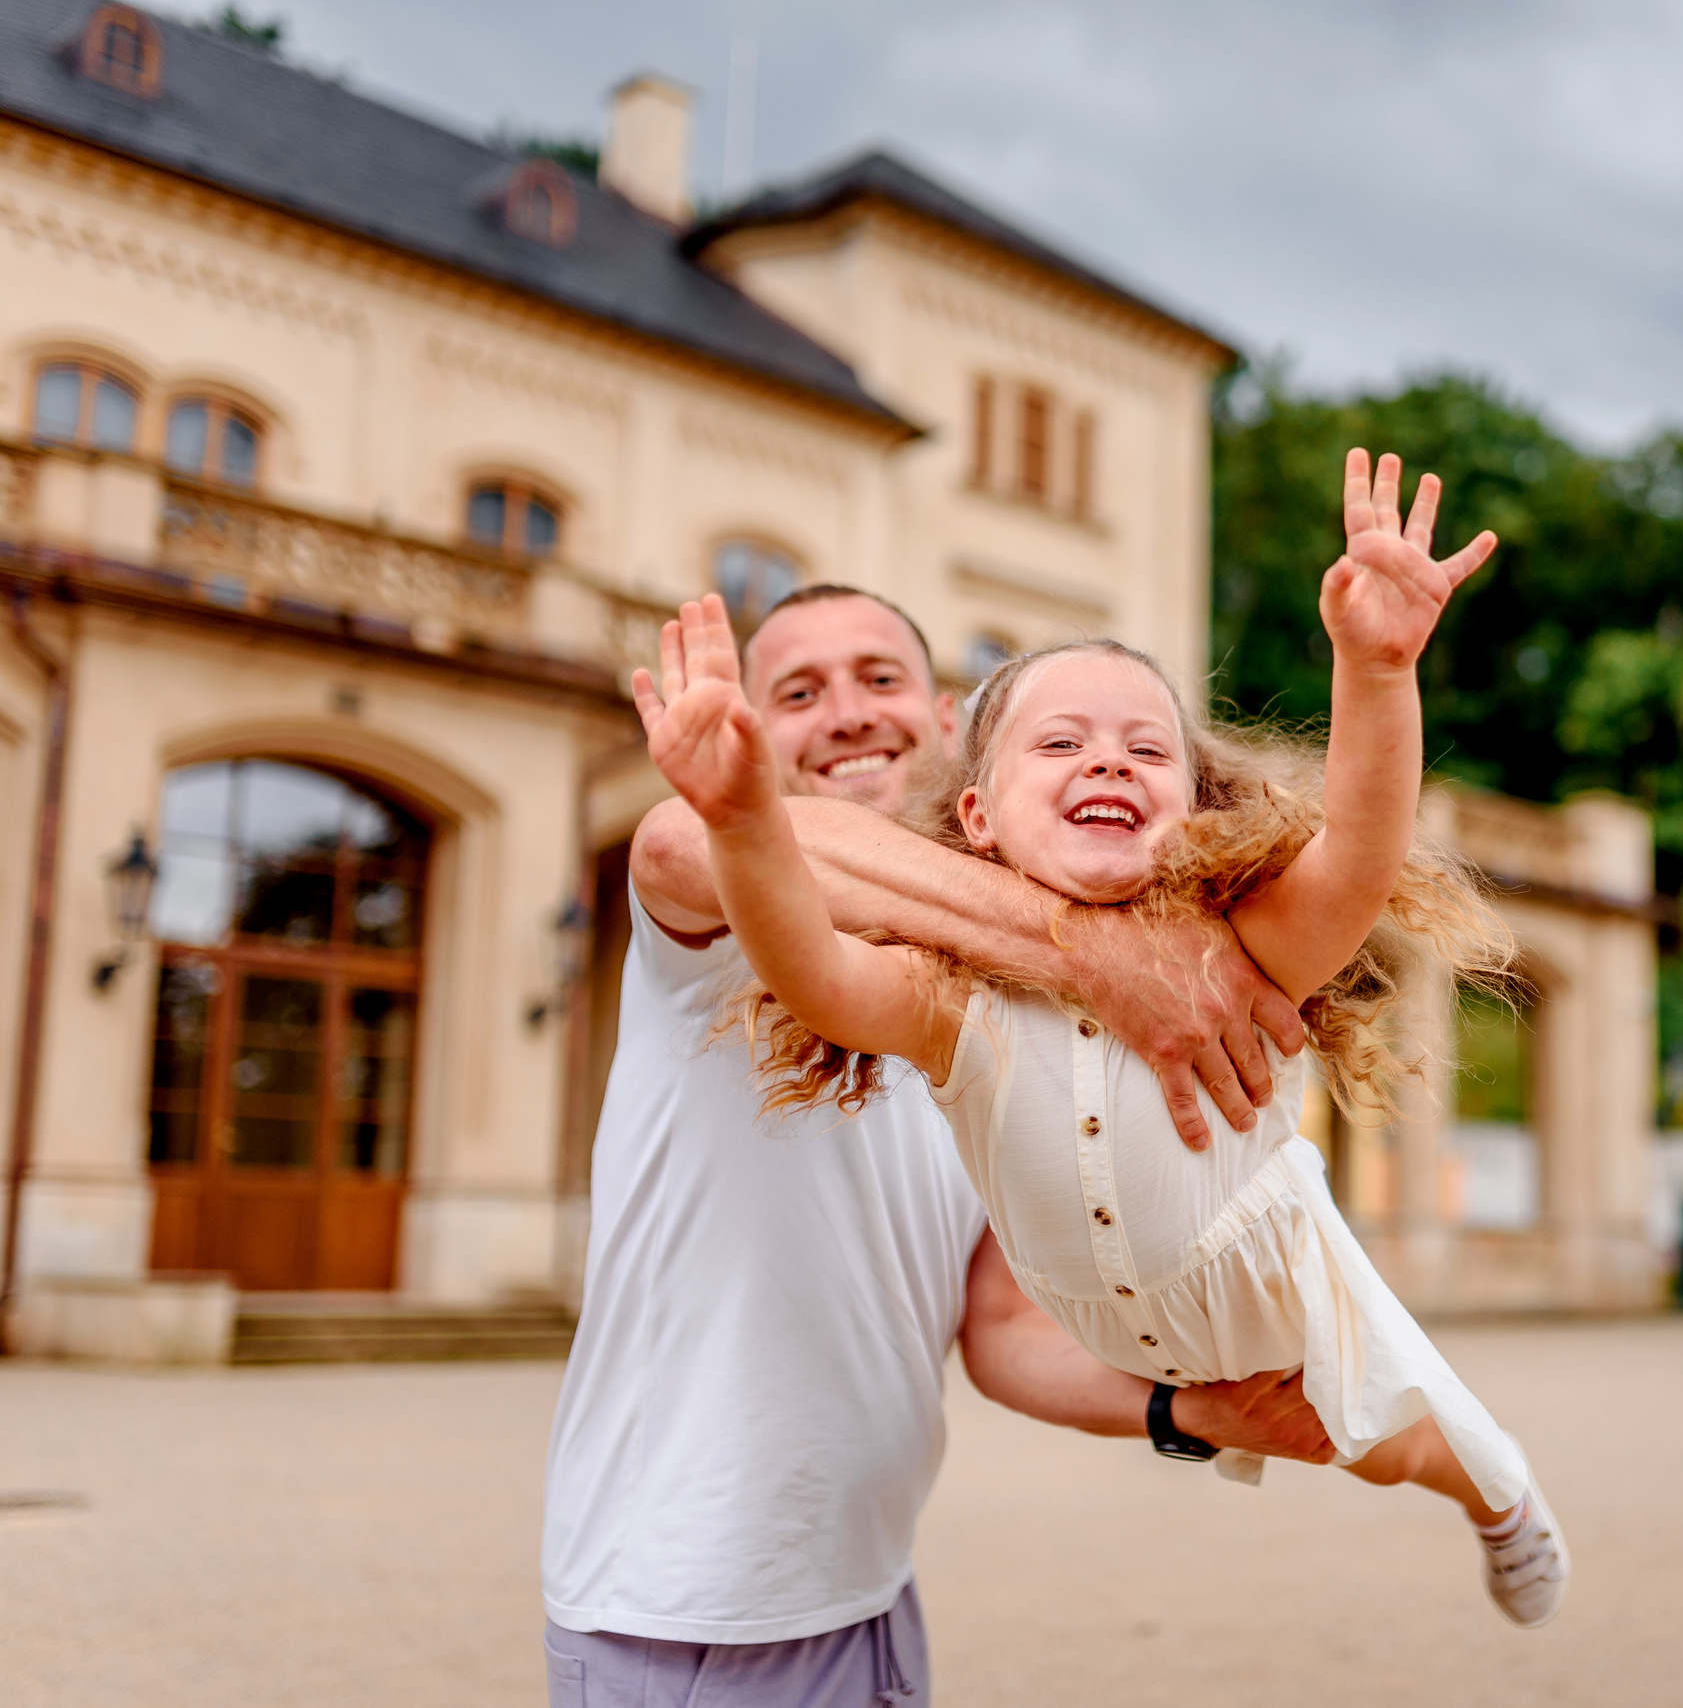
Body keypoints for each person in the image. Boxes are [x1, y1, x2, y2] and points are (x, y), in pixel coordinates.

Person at [640, 449, 1571, 1630]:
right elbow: (814, 974)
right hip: (1118, 1326)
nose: (1106, 763)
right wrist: (742, 822)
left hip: (1271, 1264)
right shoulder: (951, 1000)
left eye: (1144, 749)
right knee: (1350, 1424)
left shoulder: (1243, 950)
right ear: (974, 818)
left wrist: (1376, 669)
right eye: (1061, 744)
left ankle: (1504, 1505)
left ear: (1195, 802)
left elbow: (1360, 850)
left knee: (1389, 1432)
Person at [543, 583, 1339, 1707]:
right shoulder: (724, 919)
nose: (849, 711)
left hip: (869, 1591)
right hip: (683, 1603)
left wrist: (1188, 1407)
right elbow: (680, 840)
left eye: (879, 677)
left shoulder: (985, 1005)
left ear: (950, 722)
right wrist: (1100, 956)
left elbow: (1001, 1325)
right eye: (799, 692)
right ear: (754, 738)